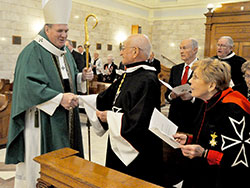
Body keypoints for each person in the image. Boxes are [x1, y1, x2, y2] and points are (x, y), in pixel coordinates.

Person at [5, 0, 93, 187]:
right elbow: (28, 86)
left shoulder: (64, 53)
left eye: (66, 31)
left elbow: (64, 81)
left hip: (63, 116)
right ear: (47, 29)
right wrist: (59, 98)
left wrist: (80, 79)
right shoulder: (32, 52)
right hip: (40, 121)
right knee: (40, 167)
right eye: (60, 31)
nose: (64, 35)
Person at [95, 34, 164, 186]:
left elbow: (140, 120)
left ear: (134, 52)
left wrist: (111, 117)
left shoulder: (147, 79)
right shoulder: (129, 74)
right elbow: (105, 97)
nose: (121, 53)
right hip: (118, 136)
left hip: (135, 147)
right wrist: (79, 100)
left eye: (123, 48)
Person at [174, 58, 250, 188]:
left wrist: (204, 153)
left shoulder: (232, 108)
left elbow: (240, 157)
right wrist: (189, 139)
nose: (190, 81)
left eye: (196, 77)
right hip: (202, 173)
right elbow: (213, 138)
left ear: (211, 85)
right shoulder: (208, 101)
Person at [165, 38, 202, 134]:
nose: (181, 51)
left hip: (194, 117)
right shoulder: (175, 69)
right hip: (175, 118)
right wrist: (170, 96)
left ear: (195, 50)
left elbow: (207, 94)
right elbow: (167, 93)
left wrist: (192, 97)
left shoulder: (203, 68)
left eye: (185, 48)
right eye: (180, 48)